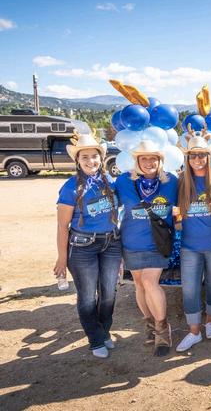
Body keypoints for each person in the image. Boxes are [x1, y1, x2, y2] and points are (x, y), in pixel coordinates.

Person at [54, 134, 121, 359]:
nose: (90, 161)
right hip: (83, 247)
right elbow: (62, 226)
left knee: (109, 294)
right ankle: (95, 339)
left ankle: (103, 331)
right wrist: (62, 258)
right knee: (88, 297)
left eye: (94, 156)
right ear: (78, 160)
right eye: (85, 157)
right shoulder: (70, 187)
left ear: (101, 158)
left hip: (111, 243)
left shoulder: (109, 181)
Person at [115, 140, 178, 356]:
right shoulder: (124, 181)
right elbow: (107, 203)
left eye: (154, 158)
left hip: (157, 243)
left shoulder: (171, 181)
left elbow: (189, 201)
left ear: (160, 160)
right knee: (140, 284)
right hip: (131, 242)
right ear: (137, 161)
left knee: (150, 282)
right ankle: (149, 324)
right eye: (144, 158)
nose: (149, 162)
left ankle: (163, 330)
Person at [175, 130, 211, 352]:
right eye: (193, 155)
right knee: (190, 289)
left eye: (202, 155)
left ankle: (210, 322)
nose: (197, 159)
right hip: (190, 247)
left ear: (208, 156)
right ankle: (194, 332)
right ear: (187, 158)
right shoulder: (181, 181)